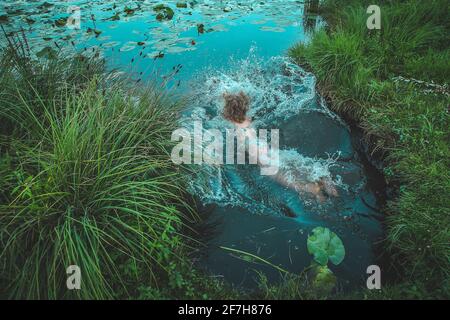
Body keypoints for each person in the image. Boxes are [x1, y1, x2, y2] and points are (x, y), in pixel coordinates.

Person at [222, 91, 338, 202]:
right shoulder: (248, 120)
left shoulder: (237, 130)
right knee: (294, 164)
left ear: (227, 115)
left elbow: (239, 148)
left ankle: (315, 190)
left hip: (262, 157)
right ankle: (326, 182)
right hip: (268, 149)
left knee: (286, 180)